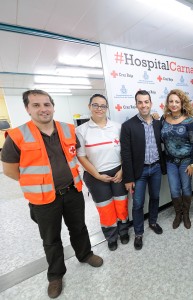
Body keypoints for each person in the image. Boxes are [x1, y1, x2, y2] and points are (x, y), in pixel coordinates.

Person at [1, 90, 103, 299]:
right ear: (28, 109)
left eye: (46, 104)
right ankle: (55, 275)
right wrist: (36, 181)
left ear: (53, 107)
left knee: (79, 228)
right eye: (36, 105)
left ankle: (85, 255)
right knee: (51, 238)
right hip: (43, 198)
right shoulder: (17, 136)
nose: (43, 109)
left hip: (72, 191)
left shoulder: (67, 129)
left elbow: (75, 156)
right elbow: (10, 170)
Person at [76, 94, 130, 252]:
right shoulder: (81, 130)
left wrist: (122, 169)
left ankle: (124, 231)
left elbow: (125, 151)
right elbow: (81, 156)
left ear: (107, 108)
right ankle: (111, 237)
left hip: (118, 172)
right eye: (95, 105)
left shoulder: (117, 127)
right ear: (89, 107)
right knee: (105, 209)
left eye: (103, 106)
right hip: (95, 175)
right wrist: (97, 175)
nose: (99, 109)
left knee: (121, 204)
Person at [120, 90, 166, 250]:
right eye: (140, 102)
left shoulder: (158, 122)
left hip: (156, 168)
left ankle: (153, 222)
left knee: (155, 197)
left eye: (146, 102)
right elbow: (125, 154)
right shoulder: (128, 126)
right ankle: (138, 233)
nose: (143, 105)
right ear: (136, 104)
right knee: (138, 203)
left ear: (151, 103)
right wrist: (128, 178)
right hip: (138, 173)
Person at [161, 89, 193, 229]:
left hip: (186, 163)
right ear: (168, 103)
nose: (174, 104)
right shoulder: (163, 119)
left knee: (186, 188)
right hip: (170, 162)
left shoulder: (189, 121)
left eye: (177, 101)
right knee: (174, 189)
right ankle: (178, 214)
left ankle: (186, 215)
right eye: (171, 101)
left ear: (182, 103)